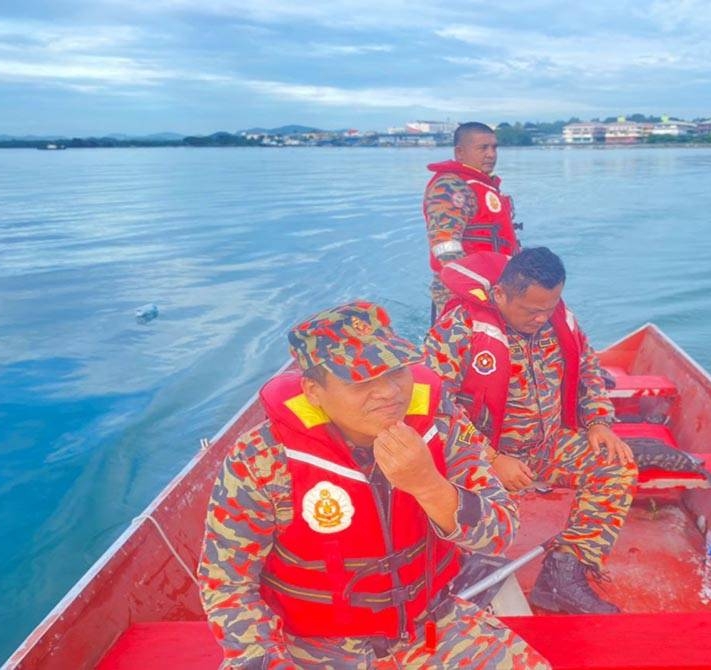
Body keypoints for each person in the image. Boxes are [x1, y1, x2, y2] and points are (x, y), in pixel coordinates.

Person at [197, 301, 550, 669]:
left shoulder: (440, 428)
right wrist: (265, 661)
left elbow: (499, 534)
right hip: (310, 647)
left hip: (430, 626)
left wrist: (429, 485)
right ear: (313, 391)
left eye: (396, 370)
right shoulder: (262, 459)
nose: (389, 392)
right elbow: (227, 582)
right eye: (362, 379)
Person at [423, 248, 638, 615]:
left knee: (614, 465)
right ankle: (451, 578)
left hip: (545, 446)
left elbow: (587, 369)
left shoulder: (557, 320)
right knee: (458, 510)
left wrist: (599, 422)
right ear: (501, 294)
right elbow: (434, 407)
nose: (542, 318)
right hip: (479, 458)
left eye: (549, 308)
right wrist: (491, 458)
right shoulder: (458, 330)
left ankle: (562, 576)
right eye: (531, 310)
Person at [424, 122, 520, 318]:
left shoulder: (483, 185)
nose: (491, 154)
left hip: (497, 284)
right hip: (462, 291)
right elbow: (445, 245)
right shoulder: (451, 186)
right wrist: (474, 290)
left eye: (494, 147)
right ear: (460, 152)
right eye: (482, 148)